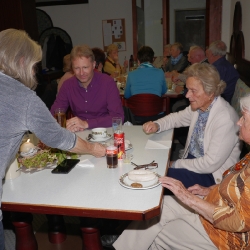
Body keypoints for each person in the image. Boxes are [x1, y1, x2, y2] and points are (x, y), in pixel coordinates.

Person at [0, 29, 106, 249]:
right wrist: (93, 148)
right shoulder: (23, 97)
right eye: (33, 64)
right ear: (21, 61)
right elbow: (60, 138)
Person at [114, 94, 250, 250]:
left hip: (224, 236)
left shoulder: (224, 117)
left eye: (244, 118)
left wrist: (188, 197)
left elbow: (238, 221)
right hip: (214, 204)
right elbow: (234, 183)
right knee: (157, 209)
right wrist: (208, 190)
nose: (238, 122)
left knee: (154, 234)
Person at [143, 63, 241, 188]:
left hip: (212, 177)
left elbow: (209, 164)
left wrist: (174, 164)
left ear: (210, 92)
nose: (187, 95)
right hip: (194, 163)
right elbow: (177, 118)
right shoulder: (200, 107)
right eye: (187, 89)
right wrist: (157, 124)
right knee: (152, 169)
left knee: (155, 177)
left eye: (193, 91)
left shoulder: (225, 119)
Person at [50, 45, 124, 132]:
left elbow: (118, 117)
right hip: (79, 133)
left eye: (85, 67)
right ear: (72, 68)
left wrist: (86, 123)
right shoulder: (67, 85)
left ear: (93, 65)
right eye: (77, 68)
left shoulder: (108, 82)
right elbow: (54, 113)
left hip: (104, 132)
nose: (81, 73)